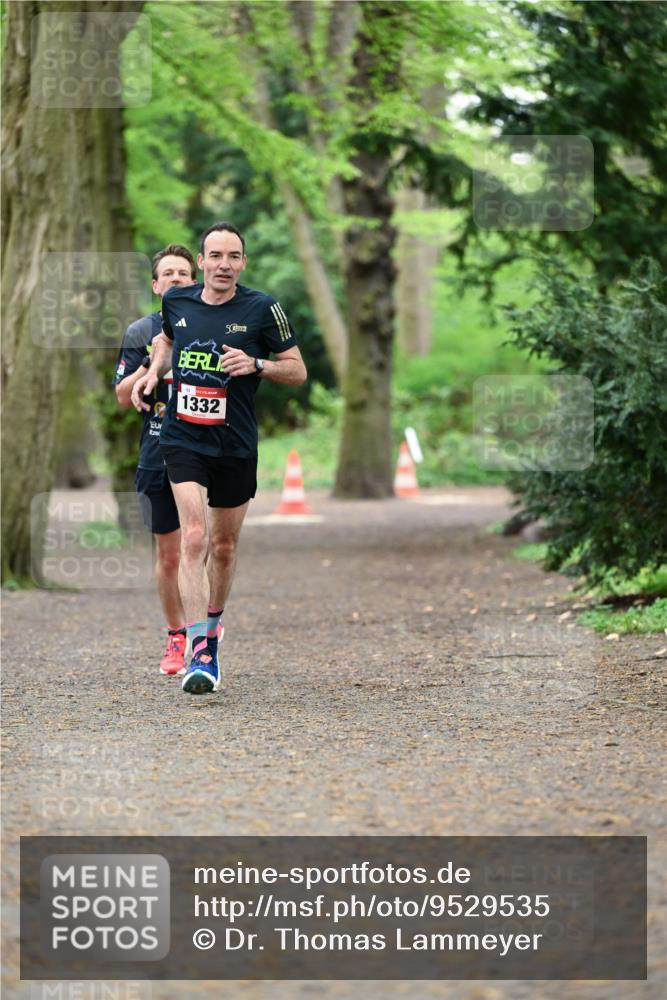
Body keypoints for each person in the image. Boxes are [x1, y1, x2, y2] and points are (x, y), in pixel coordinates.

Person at [131, 222, 307, 695]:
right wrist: (152, 373)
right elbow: (167, 340)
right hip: (182, 436)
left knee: (223, 547)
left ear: (243, 262)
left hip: (235, 443)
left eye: (233, 256)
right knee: (192, 538)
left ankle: (213, 622)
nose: (224, 264)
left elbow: (297, 369)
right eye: (215, 255)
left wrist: (257, 364)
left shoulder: (262, 308)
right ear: (202, 262)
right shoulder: (177, 302)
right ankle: (200, 650)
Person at [114, 244, 196, 676]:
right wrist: (150, 366)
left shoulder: (211, 326)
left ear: (193, 280)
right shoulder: (138, 331)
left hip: (205, 451)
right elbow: (123, 397)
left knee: (201, 548)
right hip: (158, 450)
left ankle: (204, 634)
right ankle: (176, 636)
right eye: (168, 274)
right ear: (155, 284)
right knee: (168, 555)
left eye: (184, 273)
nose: (176, 279)